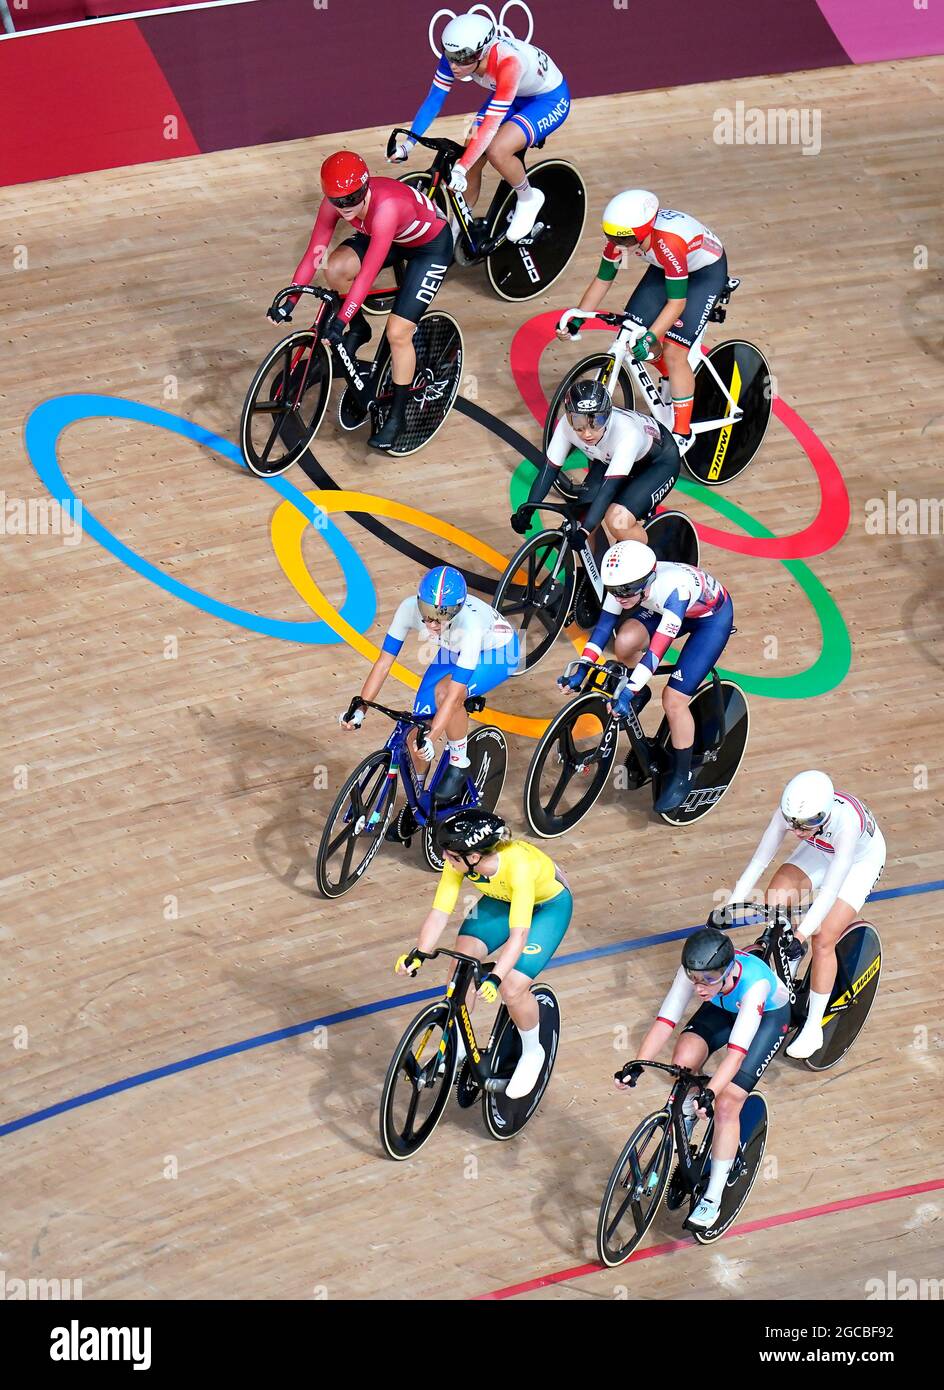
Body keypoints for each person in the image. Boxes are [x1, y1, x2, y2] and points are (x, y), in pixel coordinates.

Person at [271, 150, 452, 450]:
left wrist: (339, 319)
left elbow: (367, 276)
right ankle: (360, 329)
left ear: (366, 188)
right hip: (391, 237)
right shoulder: (337, 203)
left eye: (352, 199)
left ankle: (397, 417)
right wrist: (289, 300)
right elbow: (315, 253)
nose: (345, 208)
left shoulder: (385, 209)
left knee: (398, 332)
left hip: (428, 247)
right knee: (334, 267)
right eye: (338, 201)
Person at [620, 926, 790, 1231]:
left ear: (727, 971)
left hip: (766, 1019)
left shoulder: (754, 984)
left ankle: (712, 1199)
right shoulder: (697, 975)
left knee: (727, 1102)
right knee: (683, 1062)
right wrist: (637, 1065)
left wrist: (710, 1093)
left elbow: (736, 1055)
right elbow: (664, 1022)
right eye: (695, 978)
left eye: (709, 980)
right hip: (722, 1009)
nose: (699, 987)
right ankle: (686, 1120)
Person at [396, 809, 572, 1099]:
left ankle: (533, 1051)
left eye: (451, 855)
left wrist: (495, 977)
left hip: (547, 907)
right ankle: (461, 1046)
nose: (445, 859)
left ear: (474, 856)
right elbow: (440, 912)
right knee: (461, 962)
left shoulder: (518, 866)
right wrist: (419, 953)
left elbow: (519, 936)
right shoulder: (459, 862)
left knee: (513, 987)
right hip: (500, 900)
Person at [559, 540, 733, 813]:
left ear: (647, 579)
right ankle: (640, 692)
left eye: (625, 591)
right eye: (613, 590)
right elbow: (604, 627)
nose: (619, 597)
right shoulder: (624, 586)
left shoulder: (673, 591)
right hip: (660, 606)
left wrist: (628, 688)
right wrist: (582, 666)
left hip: (708, 619)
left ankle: (682, 774)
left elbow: (656, 652)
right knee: (625, 642)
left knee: (674, 699)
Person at [723, 770, 886, 1059]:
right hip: (819, 851)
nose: (797, 831)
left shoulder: (845, 824)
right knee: (774, 903)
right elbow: (760, 861)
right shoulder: (792, 817)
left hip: (858, 862)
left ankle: (813, 1028)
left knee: (823, 938)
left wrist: (800, 934)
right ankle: (789, 960)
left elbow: (830, 891)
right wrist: (731, 906)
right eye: (792, 823)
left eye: (806, 824)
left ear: (823, 816)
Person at [557, 190, 728, 452]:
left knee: (673, 351)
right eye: (612, 238)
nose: (618, 245)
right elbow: (603, 279)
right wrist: (579, 318)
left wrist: (651, 336)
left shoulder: (668, 243)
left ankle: (682, 432)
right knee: (632, 330)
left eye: (624, 240)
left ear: (644, 230)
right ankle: (674, 378)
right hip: (666, 269)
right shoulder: (624, 237)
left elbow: (677, 304)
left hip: (704, 274)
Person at [340, 566, 519, 810]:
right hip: (453, 647)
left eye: (441, 615)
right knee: (417, 727)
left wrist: (433, 738)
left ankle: (459, 760)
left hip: (498, 653)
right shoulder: (408, 609)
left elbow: (454, 694)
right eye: (427, 612)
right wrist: (361, 709)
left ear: (455, 611)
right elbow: (383, 663)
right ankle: (417, 803)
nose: (432, 623)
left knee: (445, 694)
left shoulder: (470, 626)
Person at [393, 13, 570, 243]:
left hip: (547, 99)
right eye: (450, 56)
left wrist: (460, 169)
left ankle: (528, 198)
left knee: (497, 149)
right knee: (471, 150)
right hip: (510, 94)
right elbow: (434, 100)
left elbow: (490, 126)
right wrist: (409, 144)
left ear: (482, 52)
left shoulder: (509, 63)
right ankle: (457, 231)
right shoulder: (457, 56)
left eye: (462, 58)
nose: (454, 65)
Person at [512, 378, 682, 549]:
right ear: (569, 417)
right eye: (578, 424)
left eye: (596, 422)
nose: (587, 433)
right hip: (609, 459)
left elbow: (608, 490)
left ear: (608, 415)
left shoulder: (627, 433)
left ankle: (650, 565)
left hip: (657, 463)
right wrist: (527, 510)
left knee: (617, 521)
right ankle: (595, 571)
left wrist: (585, 532)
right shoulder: (566, 426)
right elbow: (549, 470)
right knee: (579, 520)